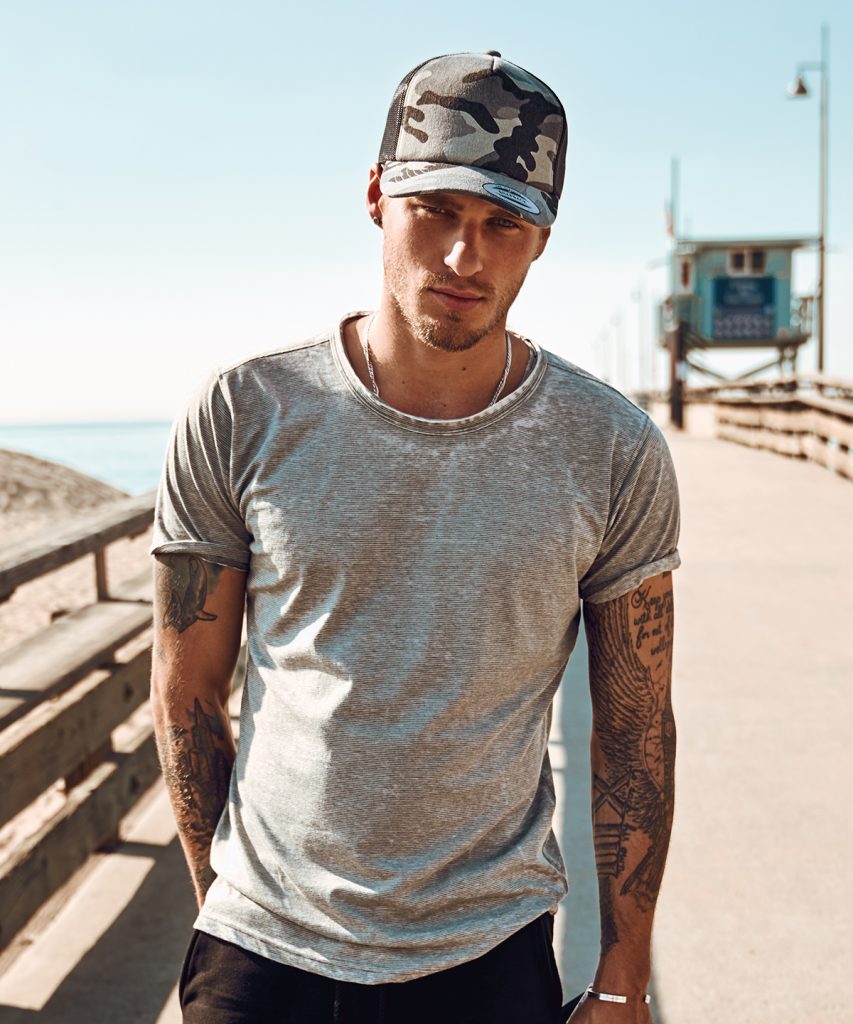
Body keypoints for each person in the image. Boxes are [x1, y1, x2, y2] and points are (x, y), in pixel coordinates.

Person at [150, 50, 680, 1024]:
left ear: (541, 239)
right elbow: (188, 694)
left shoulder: (609, 448)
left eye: (502, 224)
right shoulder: (243, 412)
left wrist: (620, 977)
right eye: (435, 210)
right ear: (376, 197)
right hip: (260, 949)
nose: (464, 258)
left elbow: (634, 729)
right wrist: (220, 912)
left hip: (484, 955)